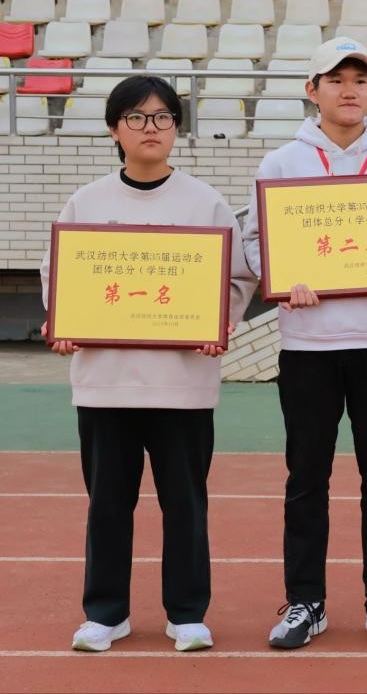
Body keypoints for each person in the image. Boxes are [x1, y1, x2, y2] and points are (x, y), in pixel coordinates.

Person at [40, 76, 256, 652]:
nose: (150, 128)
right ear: (115, 130)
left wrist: (218, 325)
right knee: (108, 505)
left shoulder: (205, 202)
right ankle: (105, 613)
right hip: (105, 385)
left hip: (181, 385)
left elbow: (237, 278)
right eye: (136, 117)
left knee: (185, 504)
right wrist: (62, 321)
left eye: (163, 117)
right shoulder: (87, 202)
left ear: (176, 128)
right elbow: (57, 273)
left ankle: (187, 613)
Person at [242, 38, 367, 650]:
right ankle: (306, 602)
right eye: (336, 79)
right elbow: (255, 243)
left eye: (360, 80)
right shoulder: (280, 164)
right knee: (306, 477)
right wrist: (280, 278)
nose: (350, 90)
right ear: (311, 89)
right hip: (308, 347)